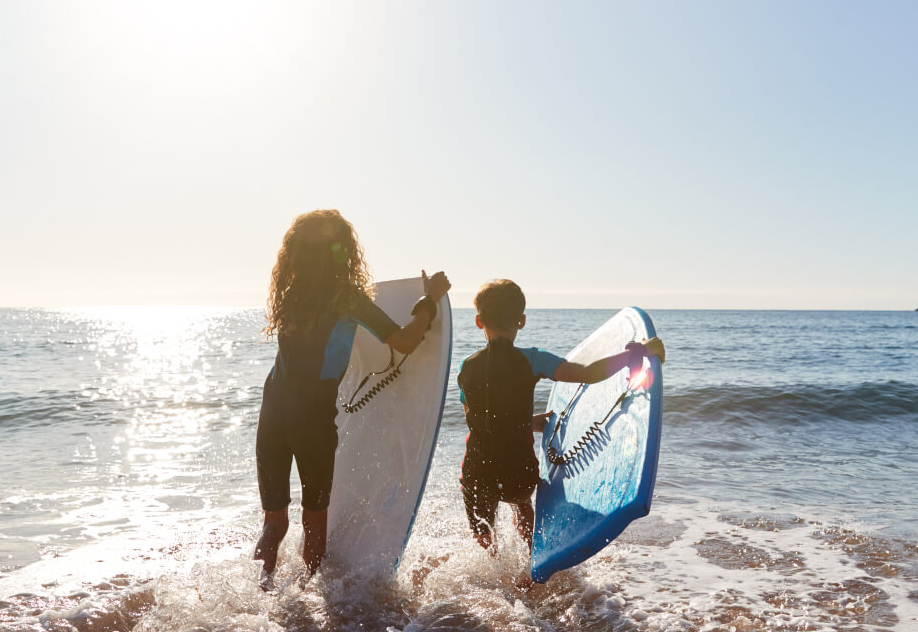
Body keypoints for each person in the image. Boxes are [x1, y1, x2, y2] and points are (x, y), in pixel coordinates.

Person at [254, 209, 450, 579]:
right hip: (312, 422)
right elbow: (406, 342)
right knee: (314, 526)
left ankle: (260, 596)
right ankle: (313, 606)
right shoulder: (347, 299)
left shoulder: (291, 294)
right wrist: (429, 301)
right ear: (343, 250)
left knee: (274, 525)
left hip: (272, 414)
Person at [457, 279, 665, 562]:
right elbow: (588, 373)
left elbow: (478, 419)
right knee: (521, 503)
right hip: (518, 475)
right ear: (522, 321)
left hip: (477, 473)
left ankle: (493, 569)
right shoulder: (533, 359)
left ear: (479, 321)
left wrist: (527, 422)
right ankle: (532, 567)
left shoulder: (466, 367)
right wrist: (634, 354)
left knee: (484, 534)